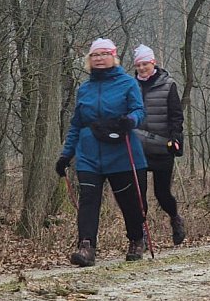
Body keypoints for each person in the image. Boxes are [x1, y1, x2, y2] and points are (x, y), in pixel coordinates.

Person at [55, 38, 148, 267]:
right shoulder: (84, 89)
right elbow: (76, 123)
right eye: (94, 55)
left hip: (121, 152)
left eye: (104, 54)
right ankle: (86, 247)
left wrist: (130, 120)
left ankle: (136, 239)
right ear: (89, 60)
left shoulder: (127, 83)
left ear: (113, 57)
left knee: (129, 202)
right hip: (89, 154)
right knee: (88, 201)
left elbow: (139, 111)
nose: (98, 58)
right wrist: (66, 155)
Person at [131, 45, 186, 246]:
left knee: (162, 194)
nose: (142, 68)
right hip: (137, 148)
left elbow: (176, 116)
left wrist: (176, 138)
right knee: (138, 195)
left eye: (145, 63)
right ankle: (141, 235)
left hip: (162, 146)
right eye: (138, 65)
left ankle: (175, 218)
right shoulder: (130, 85)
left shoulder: (168, 84)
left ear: (153, 63)